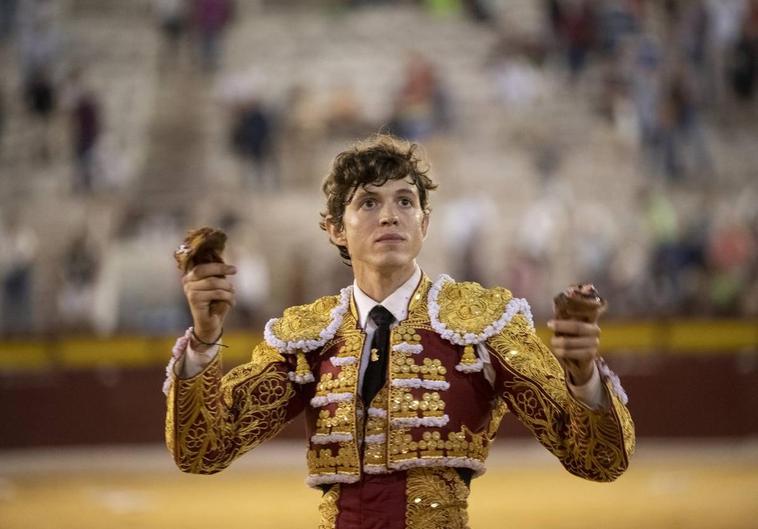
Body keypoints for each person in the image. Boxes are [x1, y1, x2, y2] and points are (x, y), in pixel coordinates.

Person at [164, 134, 635, 529]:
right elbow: (205, 450)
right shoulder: (309, 337)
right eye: (368, 202)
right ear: (334, 229)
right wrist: (205, 340)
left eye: (404, 201)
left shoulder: (482, 324)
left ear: (424, 224)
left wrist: (583, 380)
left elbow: (598, 460)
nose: (389, 215)